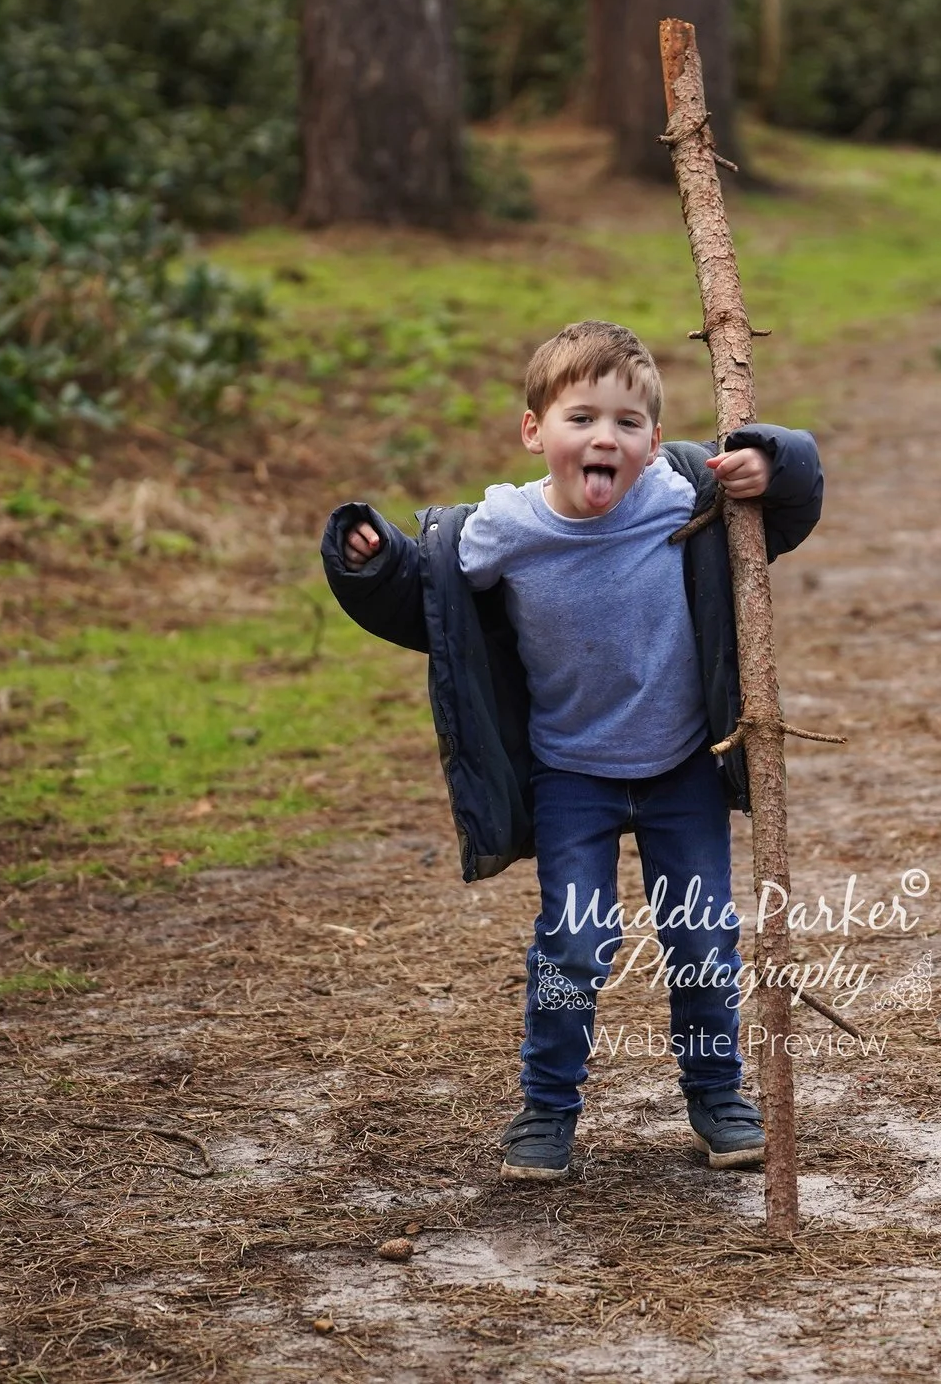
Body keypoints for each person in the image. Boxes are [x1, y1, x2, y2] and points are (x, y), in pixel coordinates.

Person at [321, 320, 824, 1181]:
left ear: (654, 441)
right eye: (581, 417)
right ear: (534, 430)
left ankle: (718, 1093)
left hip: (682, 767)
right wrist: (373, 560)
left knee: (701, 938)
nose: (605, 438)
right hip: (571, 773)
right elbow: (432, 599)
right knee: (575, 945)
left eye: (628, 423)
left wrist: (773, 463)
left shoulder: (683, 495)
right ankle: (547, 1106)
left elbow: (790, 502)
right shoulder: (505, 527)